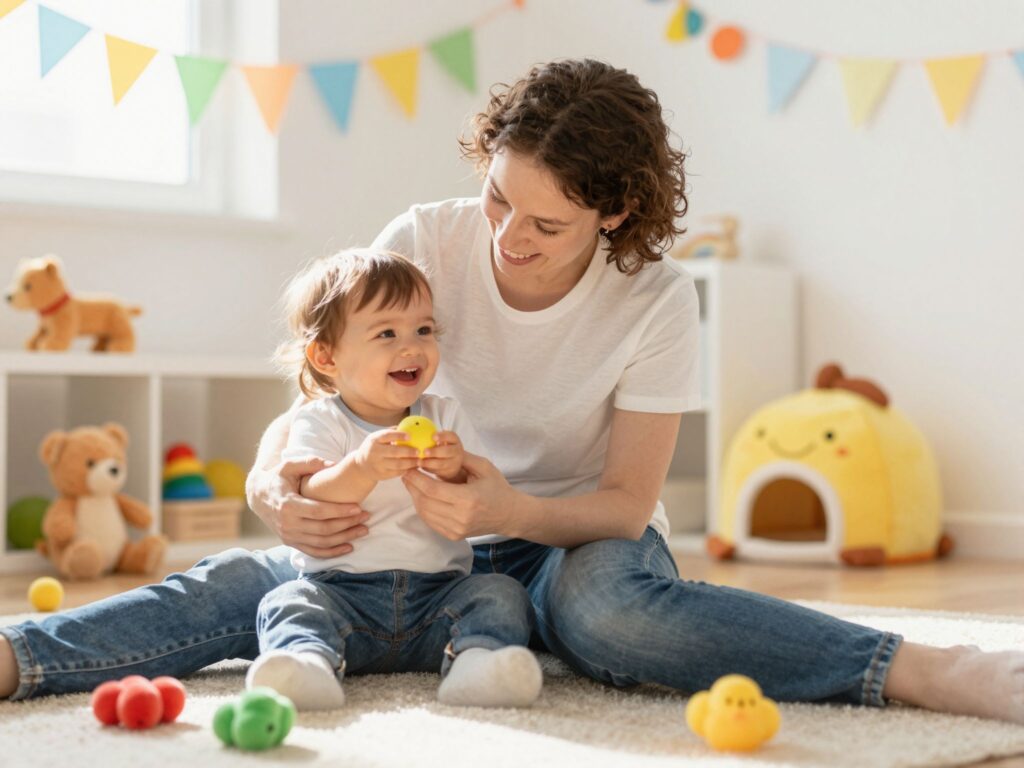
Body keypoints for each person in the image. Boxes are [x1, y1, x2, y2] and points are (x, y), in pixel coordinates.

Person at [0, 59, 1021, 726]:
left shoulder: (656, 300)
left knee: (605, 610)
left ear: (614, 212)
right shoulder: (423, 239)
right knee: (253, 577)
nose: (504, 238)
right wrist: (286, 493)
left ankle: (918, 668)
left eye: (544, 224)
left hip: (569, 538)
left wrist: (507, 511)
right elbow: (323, 394)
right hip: (407, 542)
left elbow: (624, 505)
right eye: (497, 197)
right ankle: (19, 657)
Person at [245, 248, 542, 710]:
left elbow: (479, 494)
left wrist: (451, 468)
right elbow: (310, 492)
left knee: (501, 593)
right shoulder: (321, 421)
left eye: (424, 330)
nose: (412, 347)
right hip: (342, 593)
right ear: (325, 356)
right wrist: (360, 469)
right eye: (387, 333)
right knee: (288, 601)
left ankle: (476, 665)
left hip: (437, 596)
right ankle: (307, 666)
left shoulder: (444, 414)